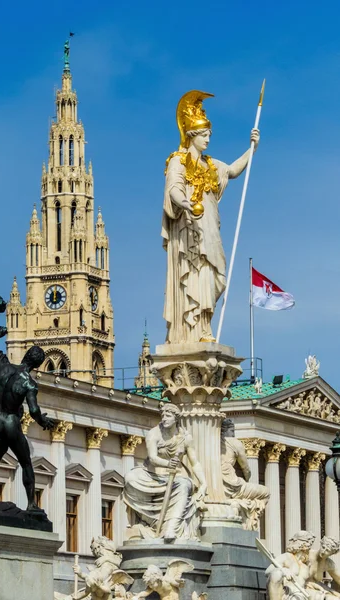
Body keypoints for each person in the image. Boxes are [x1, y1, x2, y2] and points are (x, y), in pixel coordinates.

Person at [162, 90, 260, 343]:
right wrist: (187, 205)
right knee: (194, 273)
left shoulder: (211, 164)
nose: (208, 139)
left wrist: (252, 148)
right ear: (192, 135)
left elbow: (234, 170)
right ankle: (195, 330)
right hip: (189, 228)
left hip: (209, 227)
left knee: (214, 275)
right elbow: (173, 189)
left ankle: (204, 323)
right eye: (204, 135)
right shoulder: (178, 161)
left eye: (209, 135)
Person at [0, 327, 54, 510]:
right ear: (37, 365)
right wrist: (43, 421)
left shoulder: (2, 365)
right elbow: (33, 410)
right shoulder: (29, 383)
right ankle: (32, 504)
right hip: (10, 422)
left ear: (25, 355)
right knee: (26, 463)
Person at [123, 403, 207, 541]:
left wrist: (203, 483)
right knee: (130, 478)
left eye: (168, 416)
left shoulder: (186, 438)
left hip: (174, 478)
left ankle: (171, 527)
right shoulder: (154, 434)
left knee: (184, 485)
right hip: (152, 475)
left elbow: (195, 463)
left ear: (176, 418)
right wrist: (168, 463)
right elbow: (153, 458)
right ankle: (150, 521)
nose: (164, 419)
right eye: (163, 416)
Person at [220, 419, 269, 530]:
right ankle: (249, 521)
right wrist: (246, 479)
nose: (233, 434)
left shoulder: (211, 442)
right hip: (231, 484)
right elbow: (246, 468)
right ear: (226, 430)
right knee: (265, 493)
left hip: (216, 483)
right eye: (232, 430)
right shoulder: (234, 442)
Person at [266, 531, 315, 600]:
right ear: (298, 543)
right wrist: (283, 570)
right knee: (276, 573)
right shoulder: (286, 556)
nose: (309, 544)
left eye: (310, 542)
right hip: (287, 592)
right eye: (307, 541)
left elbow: (311, 583)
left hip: (302, 594)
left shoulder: (306, 565)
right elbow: (268, 571)